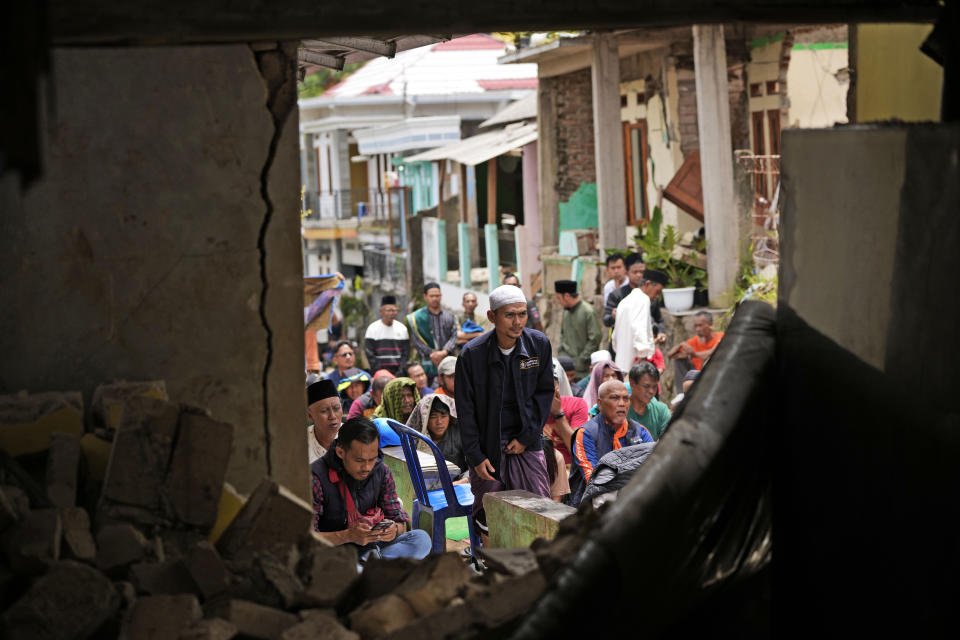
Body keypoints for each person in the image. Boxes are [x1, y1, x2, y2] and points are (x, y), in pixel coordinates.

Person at [456, 284, 554, 541]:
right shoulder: (472, 355)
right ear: (492, 317)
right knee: (488, 514)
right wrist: (476, 456)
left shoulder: (538, 345)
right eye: (510, 315)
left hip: (527, 439)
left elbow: (544, 397)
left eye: (522, 314)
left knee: (538, 508)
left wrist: (526, 438)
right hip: (488, 445)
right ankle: (494, 570)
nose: (517, 322)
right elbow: (465, 411)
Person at [310, 417, 432, 560]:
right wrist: (347, 536)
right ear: (340, 452)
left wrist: (393, 530)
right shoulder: (315, 477)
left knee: (421, 539)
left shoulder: (381, 471)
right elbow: (307, 538)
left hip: (373, 548)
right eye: (359, 460)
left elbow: (398, 521)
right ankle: (371, 569)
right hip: (335, 553)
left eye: (372, 459)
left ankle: (370, 569)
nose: (367, 467)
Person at [569, 380, 653, 506]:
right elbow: (593, 480)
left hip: (634, 497)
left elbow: (652, 468)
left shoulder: (640, 431)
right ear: (600, 404)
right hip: (591, 504)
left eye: (626, 399)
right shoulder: (586, 433)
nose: (622, 404)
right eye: (615, 398)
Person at [612, 270, 667, 374]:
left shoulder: (625, 301)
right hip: (635, 368)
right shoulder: (643, 300)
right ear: (648, 284)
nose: (657, 296)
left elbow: (615, 336)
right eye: (657, 291)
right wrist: (643, 362)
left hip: (622, 364)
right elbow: (639, 330)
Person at [603, 254, 665, 340]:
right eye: (635, 272)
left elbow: (659, 320)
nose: (639, 275)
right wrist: (613, 316)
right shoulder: (617, 295)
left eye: (642, 272)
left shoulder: (652, 296)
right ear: (627, 272)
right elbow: (606, 320)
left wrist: (660, 332)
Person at [407, 393, 467, 476]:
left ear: (450, 417)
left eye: (443, 416)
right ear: (425, 418)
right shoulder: (414, 438)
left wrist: (461, 481)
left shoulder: (460, 434)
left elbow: (473, 467)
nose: (439, 422)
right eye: (433, 416)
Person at [407, 282, 457, 379]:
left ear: (441, 296)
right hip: (427, 364)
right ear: (425, 296)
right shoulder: (417, 317)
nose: (435, 298)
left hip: (448, 363)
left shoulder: (449, 316)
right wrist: (432, 354)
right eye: (432, 296)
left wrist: (443, 353)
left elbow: (454, 336)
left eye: (437, 295)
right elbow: (416, 341)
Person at [544, 360, 590, 464]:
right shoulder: (527, 406)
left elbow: (577, 452)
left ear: (557, 385)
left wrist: (558, 413)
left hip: (568, 469)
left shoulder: (577, 404)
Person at [555, 280, 603, 379]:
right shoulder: (566, 311)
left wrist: (581, 360)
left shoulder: (588, 311)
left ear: (567, 296)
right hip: (566, 367)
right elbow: (562, 334)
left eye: (559, 298)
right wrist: (561, 352)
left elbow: (595, 339)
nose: (558, 302)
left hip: (582, 371)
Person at [667, 310, 725, 392]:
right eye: (696, 326)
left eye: (700, 325)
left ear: (710, 324)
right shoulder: (693, 341)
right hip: (695, 375)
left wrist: (694, 354)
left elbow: (712, 352)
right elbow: (670, 355)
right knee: (679, 360)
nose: (697, 329)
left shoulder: (720, 336)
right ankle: (681, 394)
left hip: (713, 374)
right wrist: (680, 345)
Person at [364, 295, 410, 376]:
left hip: (399, 374)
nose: (391, 313)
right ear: (381, 311)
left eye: (394, 310)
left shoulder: (402, 329)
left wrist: (400, 372)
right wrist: (381, 372)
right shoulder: (372, 329)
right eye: (388, 310)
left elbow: (406, 354)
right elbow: (370, 354)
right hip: (380, 374)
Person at [627, 361, 672, 440]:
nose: (651, 391)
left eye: (654, 387)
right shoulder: (620, 410)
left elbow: (668, 441)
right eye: (646, 386)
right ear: (632, 384)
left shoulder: (661, 410)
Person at [307, 379, 343, 464]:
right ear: (310, 416)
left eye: (336, 408)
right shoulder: (299, 443)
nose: (333, 416)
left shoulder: (353, 437)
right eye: (324, 411)